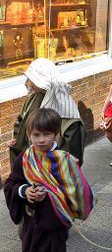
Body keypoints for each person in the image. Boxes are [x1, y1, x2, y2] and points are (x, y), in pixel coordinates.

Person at [4, 108, 93, 252]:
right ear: (28, 135)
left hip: (55, 223)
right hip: (32, 223)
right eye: (36, 134)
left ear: (56, 134)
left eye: (47, 134)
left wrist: (52, 193)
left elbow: (75, 188)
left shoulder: (64, 160)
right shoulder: (24, 158)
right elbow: (11, 184)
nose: (41, 140)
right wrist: (25, 191)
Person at [6, 58, 86, 168]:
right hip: (31, 163)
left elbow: (73, 147)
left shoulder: (62, 104)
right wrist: (16, 138)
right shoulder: (34, 97)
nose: (28, 83)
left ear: (41, 79)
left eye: (31, 79)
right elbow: (22, 120)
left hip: (52, 169)